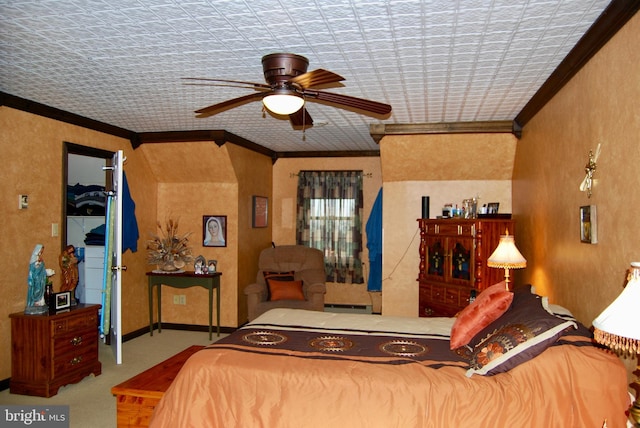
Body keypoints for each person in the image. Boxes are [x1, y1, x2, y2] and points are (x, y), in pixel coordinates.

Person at [25, 244, 48, 314]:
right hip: (35, 277)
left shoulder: (39, 257)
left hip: (40, 277)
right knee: (36, 289)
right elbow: (33, 268)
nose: (41, 252)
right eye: (41, 250)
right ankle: (35, 302)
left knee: (40, 288)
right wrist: (38, 264)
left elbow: (42, 266)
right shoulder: (34, 258)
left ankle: (39, 301)